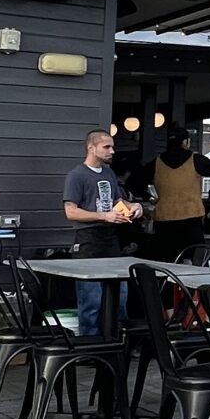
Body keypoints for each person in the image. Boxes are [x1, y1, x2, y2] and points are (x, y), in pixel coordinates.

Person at [60, 129, 142, 337]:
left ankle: (119, 342)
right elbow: (70, 211)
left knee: (120, 295)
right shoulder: (76, 175)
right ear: (91, 147)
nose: (111, 151)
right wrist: (103, 216)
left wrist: (134, 206)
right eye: (106, 147)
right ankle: (90, 346)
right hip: (88, 240)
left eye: (112, 146)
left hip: (111, 239)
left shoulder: (108, 173)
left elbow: (116, 200)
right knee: (91, 299)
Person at [139, 129, 210, 262]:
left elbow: (133, 182)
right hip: (191, 219)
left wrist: (149, 198)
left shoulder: (157, 162)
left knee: (166, 260)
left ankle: (166, 282)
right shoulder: (194, 159)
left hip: (164, 220)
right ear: (186, 142)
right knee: (192, 258)